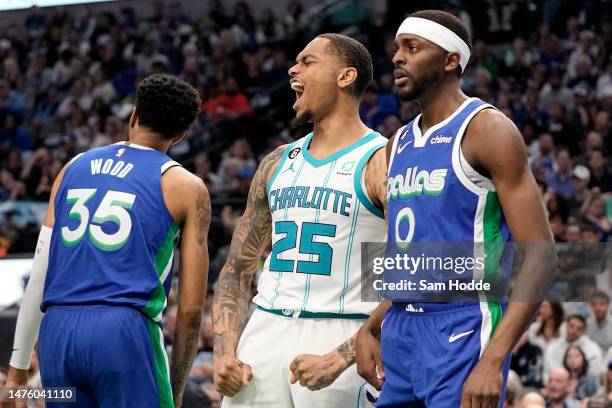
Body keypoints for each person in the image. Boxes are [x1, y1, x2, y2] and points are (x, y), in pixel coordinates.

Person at [355, 10, 555, 408]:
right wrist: (371, 327)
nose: (397, 57)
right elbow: (413, 260)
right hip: (400, 330)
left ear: (451, 60)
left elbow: (543, 256)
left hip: (463, 325)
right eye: (396, 48)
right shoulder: (397, 143)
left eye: (412, 48)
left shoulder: (486, 129)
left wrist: (493, 360)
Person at [3, 74, 210, 408]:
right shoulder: (186, 186)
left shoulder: (72, 168)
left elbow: (38, 278)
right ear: (181, 135)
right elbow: (191, 309)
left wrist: (16, 376)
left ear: (133, 116)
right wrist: (176, 388)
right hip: (123, 331)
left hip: (58, 333)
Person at [212, 33, 388, 407]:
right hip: (265, 328)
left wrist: (345, 354)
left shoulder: (382, 160)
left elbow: (416, 271)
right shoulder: (276, 162)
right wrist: (224, 351)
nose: (293, 68)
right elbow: (237, 269)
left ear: (345, 76)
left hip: (346, 328)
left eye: (308, 61)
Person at [544, 315, 603, 382]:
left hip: (582, 387)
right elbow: (547, 372)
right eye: (571, 326)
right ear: (565, 326)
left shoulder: (593, 349)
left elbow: (595, 374)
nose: (573, 331)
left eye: (579, 328)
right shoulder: (552, 347)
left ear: (583, 331)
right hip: (554, 384)